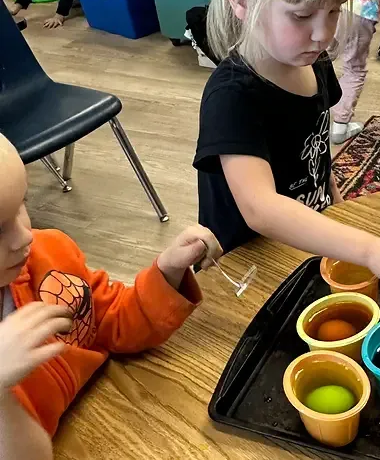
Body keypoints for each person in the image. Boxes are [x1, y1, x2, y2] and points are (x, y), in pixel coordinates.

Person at [194, 0, 380, 291]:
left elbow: (318, 157)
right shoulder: (231, 96)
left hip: (308, 243)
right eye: (302, 15)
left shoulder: (315, 62)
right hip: (248, 267)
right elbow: (260, 208)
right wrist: (370, 248)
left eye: (335, 10)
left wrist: (340, 212)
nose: (323, 34)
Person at [0, 133, 222, 459]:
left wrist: (168, 271)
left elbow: (110, 319)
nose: (23, 236)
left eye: (23, 203)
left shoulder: (49, 254)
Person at [330, 0, 380, 144]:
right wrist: (379, 5)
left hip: (334, 3)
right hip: (361, 10)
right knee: (354, 68)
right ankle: (340, 124)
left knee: (319, 56)